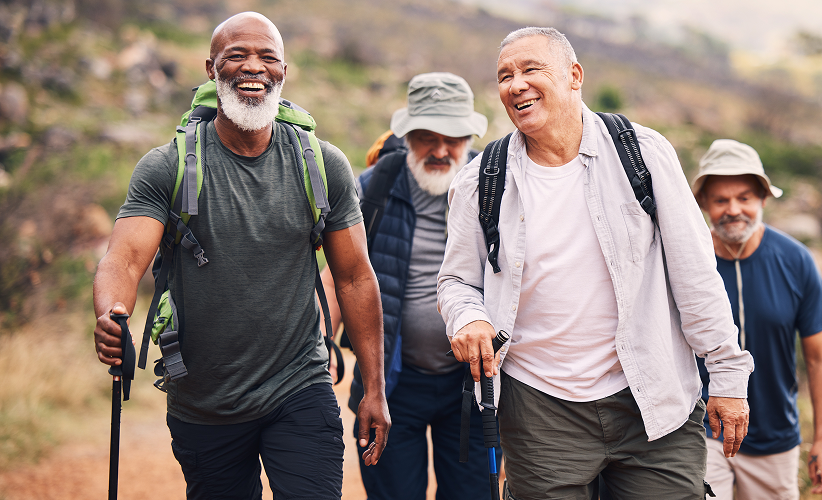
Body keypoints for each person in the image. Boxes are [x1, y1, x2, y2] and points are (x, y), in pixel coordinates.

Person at [437, 27, 755, 500]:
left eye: (530, 70)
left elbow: (695, 274)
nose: (515, 85)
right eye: (504, 76)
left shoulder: (643, 154)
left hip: (652, 396)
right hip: (539, 408)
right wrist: (469, 316)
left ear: (574, 76)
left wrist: (728, 375)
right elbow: (456, 281)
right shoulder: (480, 180)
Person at [92, 12, 390, 499]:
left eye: (267, 57)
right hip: (204, 401)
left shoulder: (322, 164)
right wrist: (111, 315)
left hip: (300, 383)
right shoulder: (168, 167)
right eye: (237, 56)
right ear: (212, 69)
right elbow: (122, 261)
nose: (254, 66)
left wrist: (373, 387)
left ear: (284, 72)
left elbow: (356, 277)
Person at [320, 72, 499, 500]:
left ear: (470, 135)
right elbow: (338, 276)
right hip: (390, 384)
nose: (440, 150)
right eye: (426, 138)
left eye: (453, 138)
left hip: (474, 386)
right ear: (406, 134)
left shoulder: (495, 188)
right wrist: (320, 343)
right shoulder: (372, 189)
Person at [692, 139, 822, 499]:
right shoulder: (688, 262)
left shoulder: (795, 260)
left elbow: (820, 358)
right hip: (702, 433)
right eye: (721, 200)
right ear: (704, 204)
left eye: (744, 197)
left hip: (775, 440)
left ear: (762, 199)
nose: (733, 209)